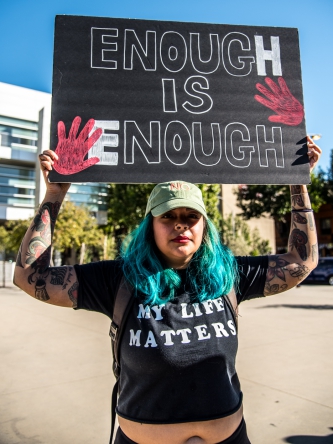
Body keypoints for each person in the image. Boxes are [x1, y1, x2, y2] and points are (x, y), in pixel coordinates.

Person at [14, 136, 321, 444]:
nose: (180, 225)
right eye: (168, 216)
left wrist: (298, 183)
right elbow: (30, 276)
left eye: (191, 216)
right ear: (151, 226)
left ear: (204, 226)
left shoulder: (229, 273)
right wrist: (54, 193)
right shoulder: (119, 279)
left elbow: (301, 260)